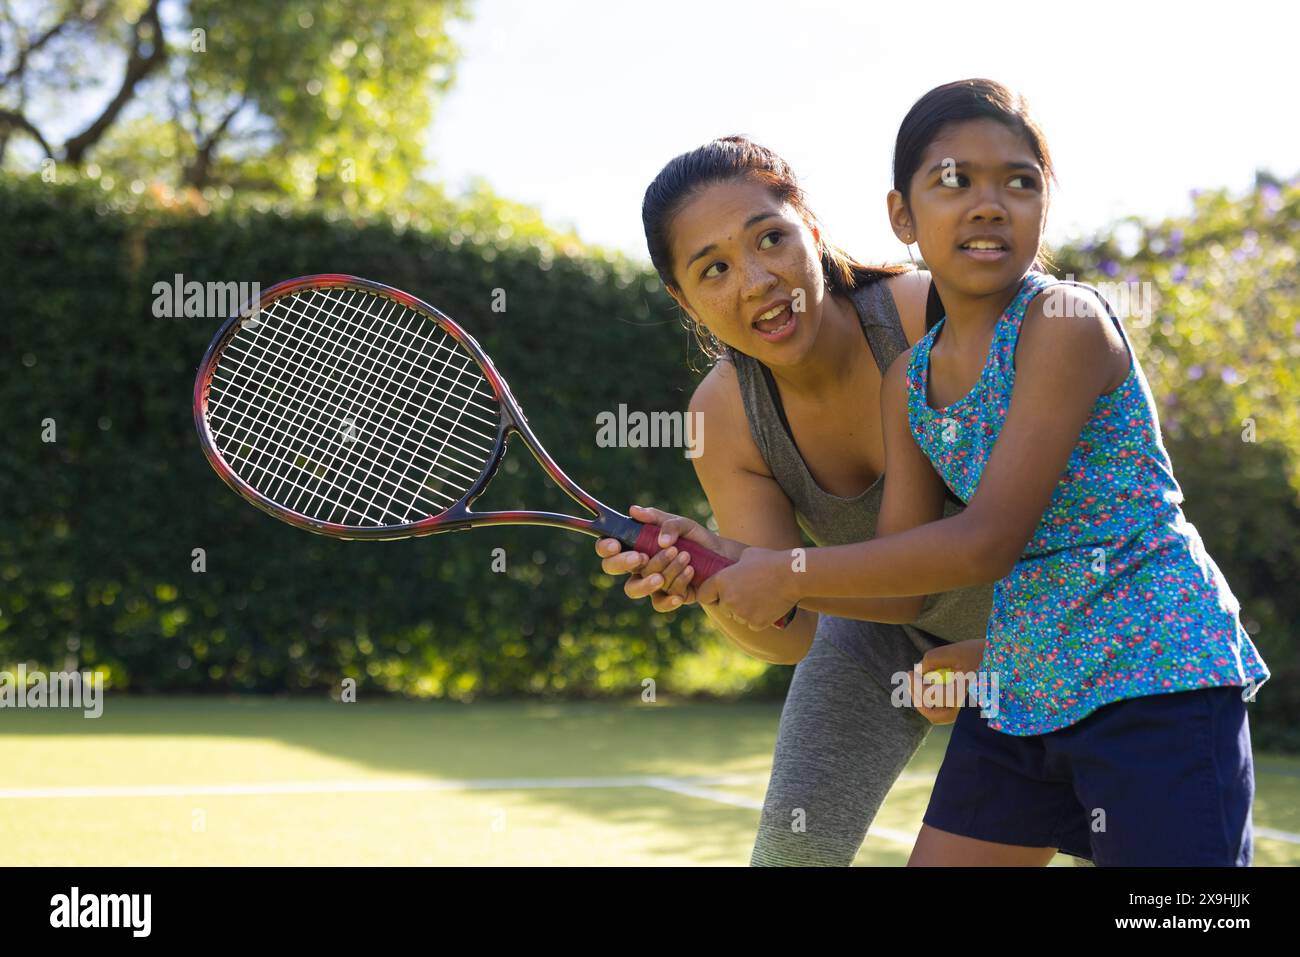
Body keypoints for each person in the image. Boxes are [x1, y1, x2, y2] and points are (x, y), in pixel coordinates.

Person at [685, 79, 1270, 866]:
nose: (989, 203)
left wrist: (782, 572)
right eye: (955, 182)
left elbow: (986, 540)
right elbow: (898, 593)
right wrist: (729, 566)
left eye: (1019, 182)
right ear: (903, 216)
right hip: (1026, 685)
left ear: (1044, 208)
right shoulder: (910, 381)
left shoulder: (1065, 322)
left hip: (1153, 675)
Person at [594, 134, 996, 866]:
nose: (755, 281)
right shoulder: (723, 416)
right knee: (789, 854)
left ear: (811, 228)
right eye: (713, 268)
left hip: (1053, 621)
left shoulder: (927, 315)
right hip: (878, 629)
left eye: (770, 238)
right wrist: (716, 580)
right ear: (684, 300)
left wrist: (1000, 657)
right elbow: (795, 631)